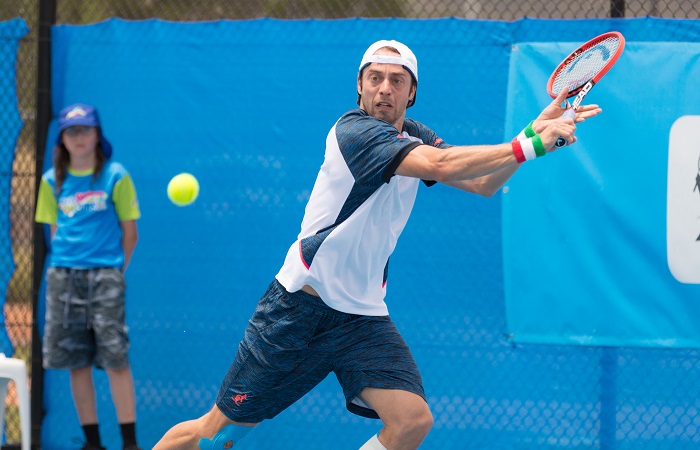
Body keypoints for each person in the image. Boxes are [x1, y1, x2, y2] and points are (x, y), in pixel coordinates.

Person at [154, 40, 601, 450]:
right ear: (360, 88)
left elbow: (483, 181)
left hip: (361, 316)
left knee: (411, 421)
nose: (384, 89)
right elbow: (443, 166)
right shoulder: (355, 133)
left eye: (397, 80)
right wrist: (527, 145)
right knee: (219, 434)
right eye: (375, 78)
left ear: (411, 93)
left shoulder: (415, 133)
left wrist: (533, 133)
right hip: (297, 309)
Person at [35, 103, 142, 450]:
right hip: (63, 279)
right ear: (62, 140)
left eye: (85, 130)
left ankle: (130, 443)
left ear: (97, 135)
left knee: (115, 359)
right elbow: (54, 232)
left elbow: (131, 234)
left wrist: (112, 271)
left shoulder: (116, 175)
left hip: (105, 277)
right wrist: (72, 266)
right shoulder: (51, 180)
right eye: (71, 131)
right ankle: (93, 442)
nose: (79, 137)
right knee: (75, 362)